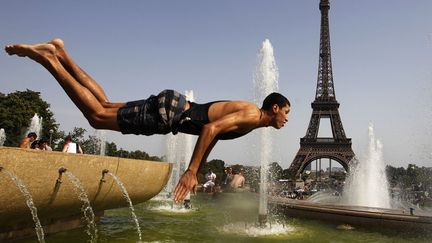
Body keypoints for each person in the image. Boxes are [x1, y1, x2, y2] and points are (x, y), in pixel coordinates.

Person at [5, 38, 291, 203]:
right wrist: (192, 171)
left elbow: (212, 133)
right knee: (96, 117)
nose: (287, 119)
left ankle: (61, 52)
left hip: (174, 105)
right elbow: (210, 128)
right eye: (286, 112)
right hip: (170, 114)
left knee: (104, 105)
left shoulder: (249, 114)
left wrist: (198, 168)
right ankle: (48, 60)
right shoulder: (253, 116)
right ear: (274, 107)